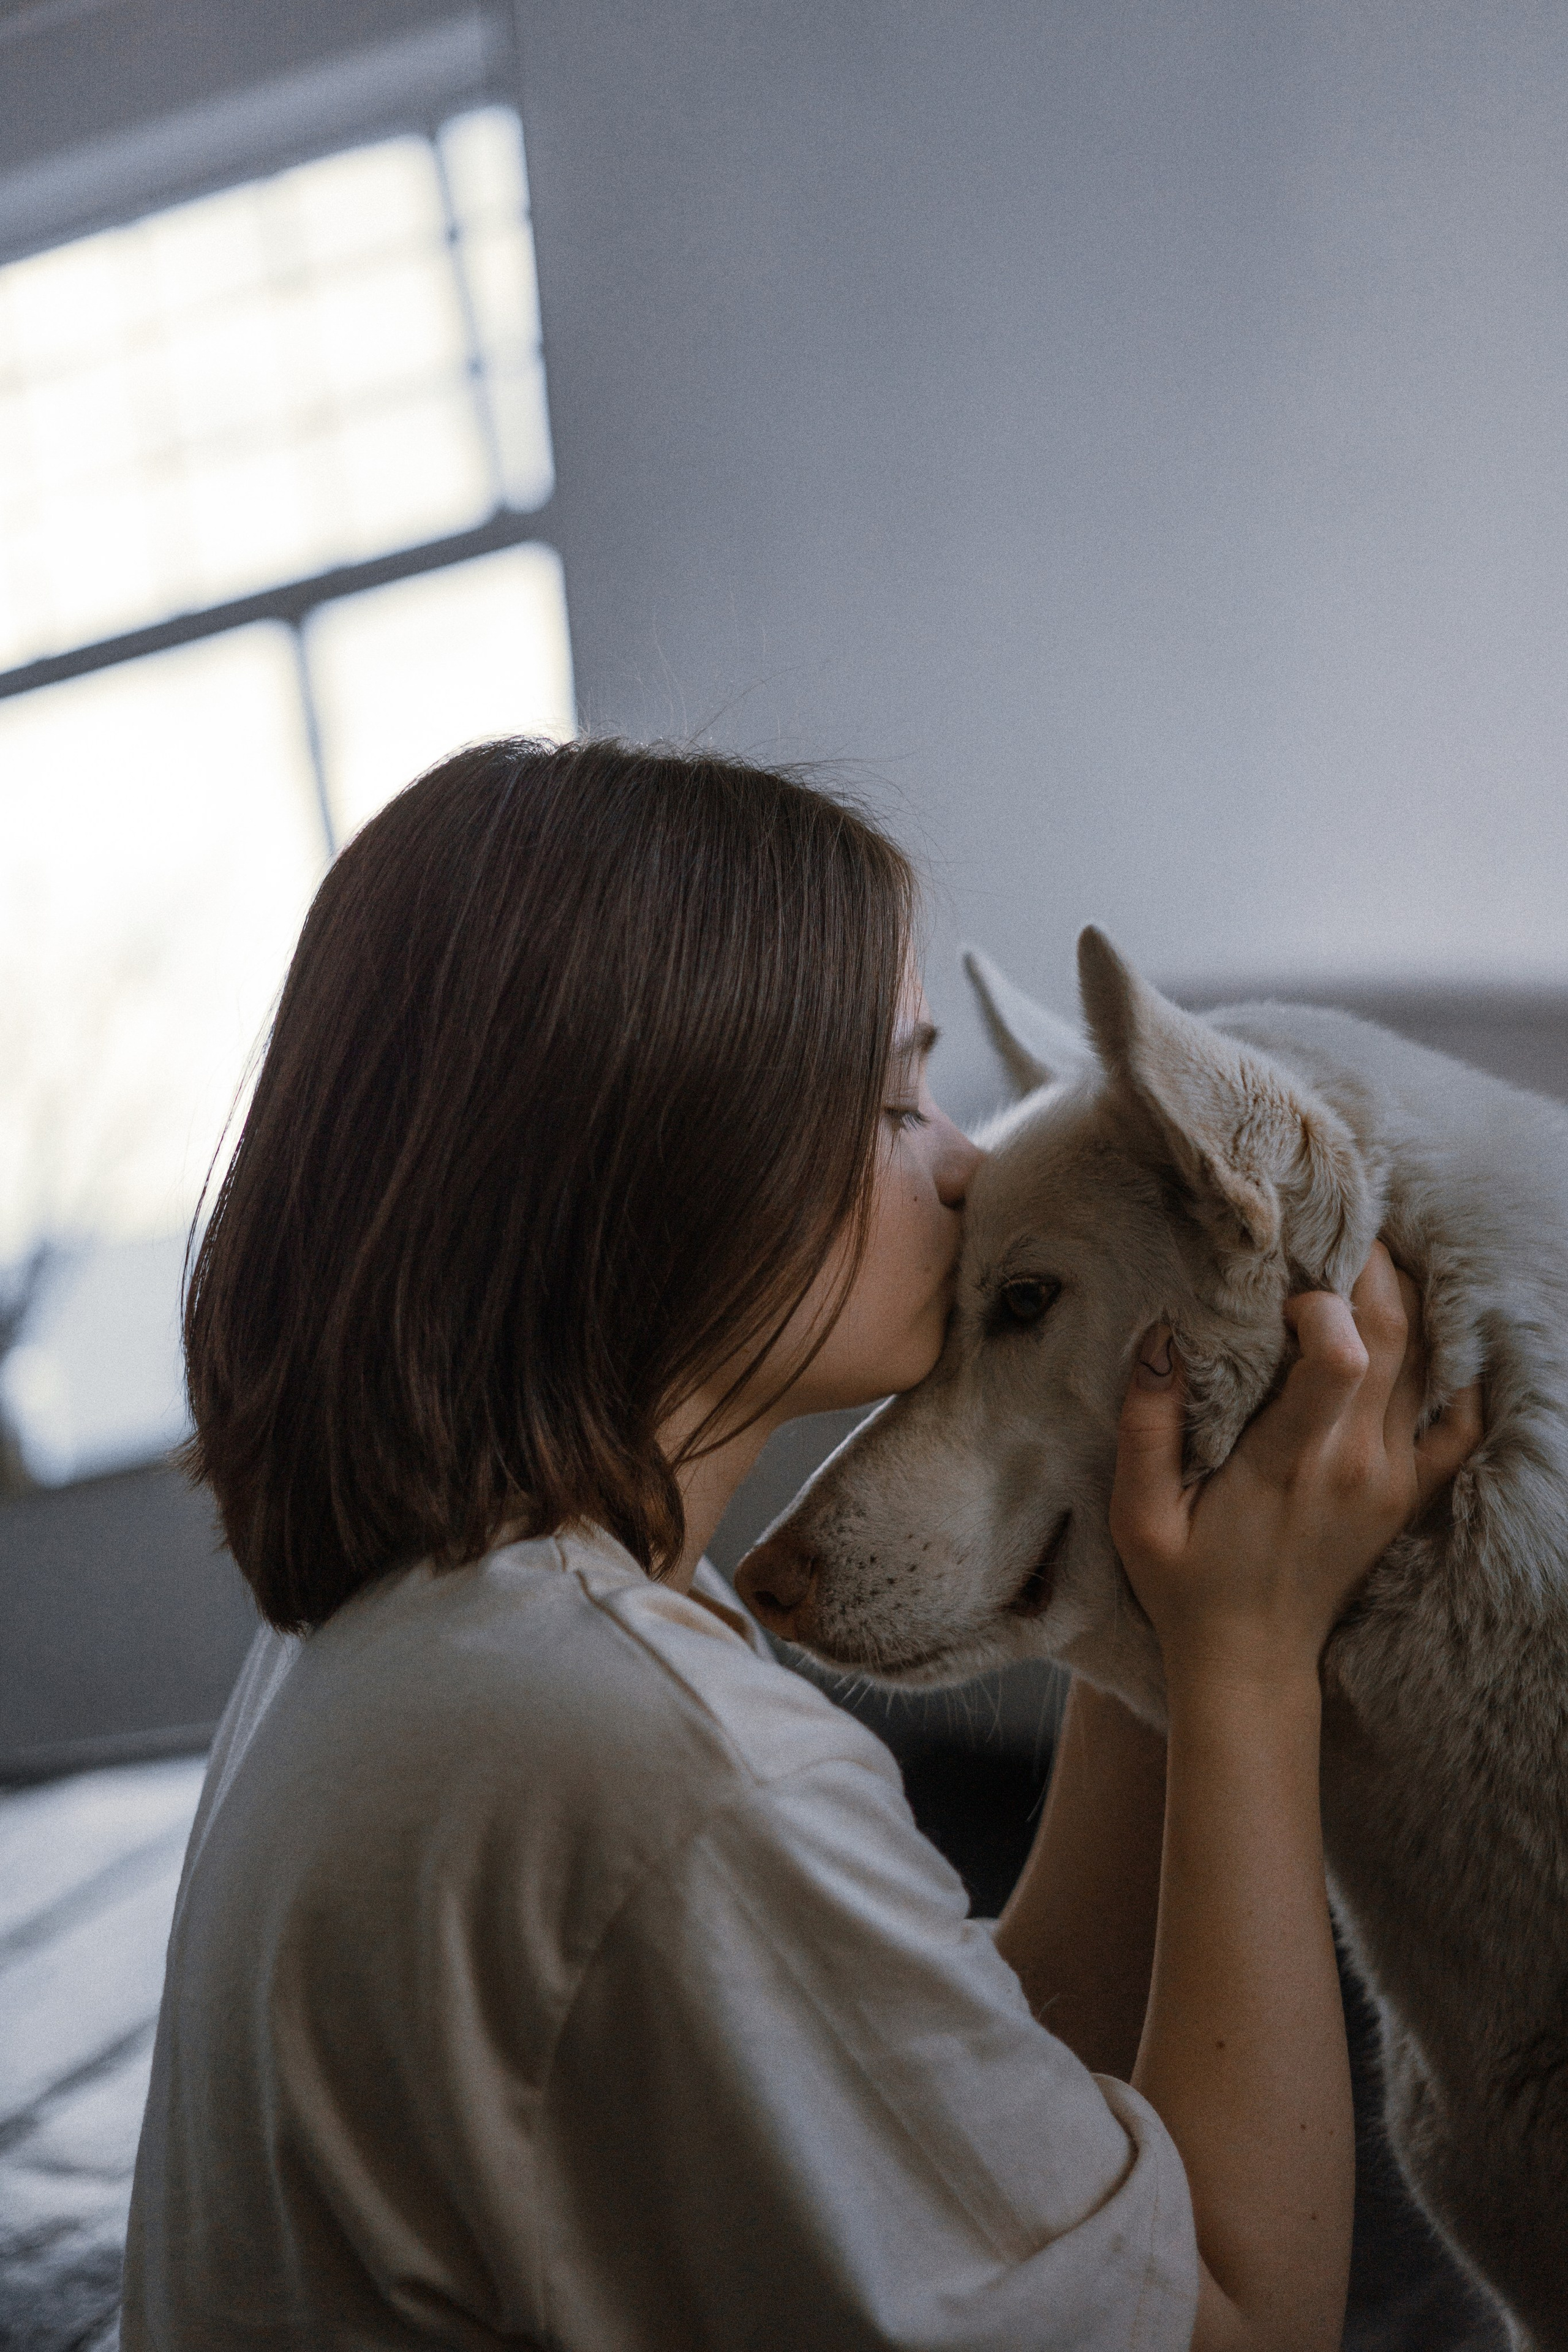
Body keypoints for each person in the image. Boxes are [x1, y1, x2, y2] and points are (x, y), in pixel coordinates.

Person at [123, 739, 1480, 2351]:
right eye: (901, 1098)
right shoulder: (645, 1762)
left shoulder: (460, 1619)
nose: (966, 1164)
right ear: (673, 1150)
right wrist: (1248, 1673)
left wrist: (1145, 1603)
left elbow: (949, 2111)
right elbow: (1235, 2331)